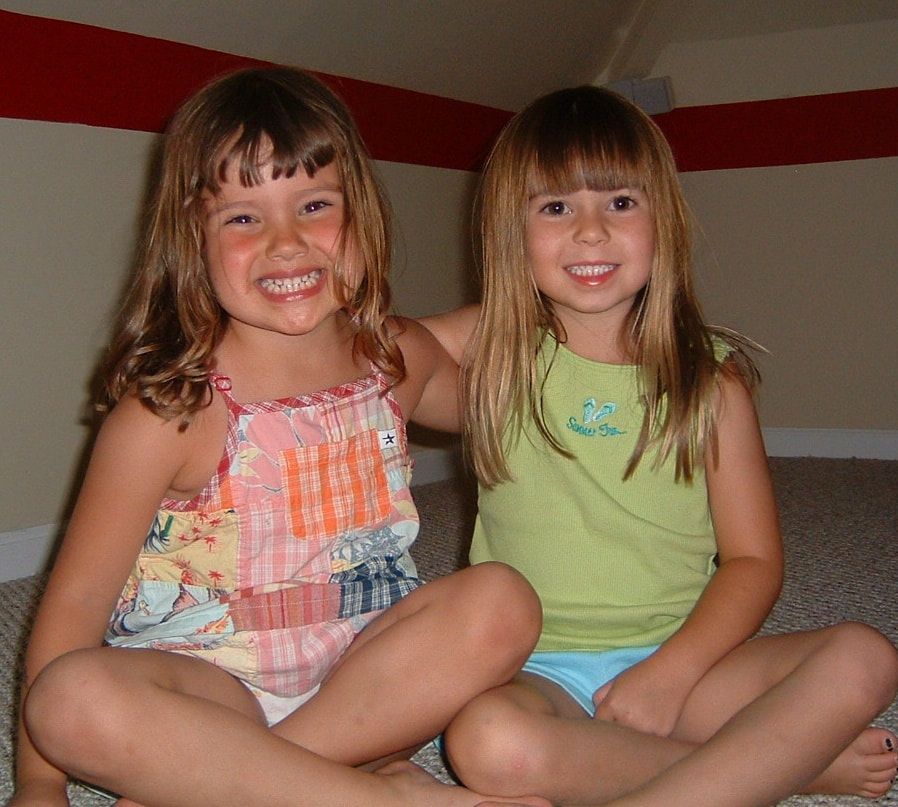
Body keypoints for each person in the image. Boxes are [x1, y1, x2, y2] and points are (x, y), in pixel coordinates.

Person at [12, 67, 549, 807]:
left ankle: (257, 782)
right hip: (209, 687)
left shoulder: (395, 359)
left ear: (361, 214)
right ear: (190, 240)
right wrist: (38, 785)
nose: (286, 243)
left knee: (503, 601)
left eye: (315, 206)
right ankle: (374, 794)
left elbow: (504, 407)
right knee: (70, 700)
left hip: (363, 685)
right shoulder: (169, 410)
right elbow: (72, 605)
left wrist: (570, 308)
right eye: (242, 217)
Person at [423, 86, 898, 806]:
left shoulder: (712, 382)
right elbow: (383, 356)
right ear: (509, 232)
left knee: (865, 656)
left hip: (688, 663)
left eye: (619, 202)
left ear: (662, 221)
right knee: (485, 740)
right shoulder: (491, 344)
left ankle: (709, 766)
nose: (590, 232)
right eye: (555, 207)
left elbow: (754, 561)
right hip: (536, 672)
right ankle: (778, 768)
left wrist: (671, 673)